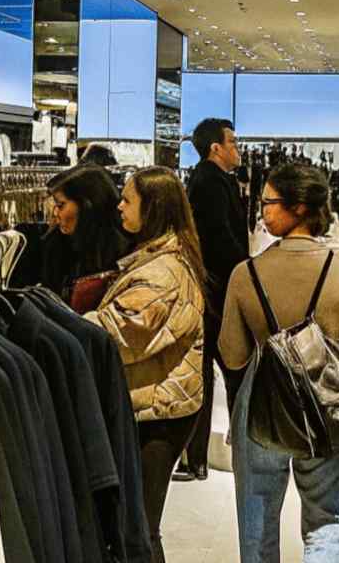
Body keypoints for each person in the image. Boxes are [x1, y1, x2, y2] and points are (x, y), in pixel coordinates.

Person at [217, 163, 339, 563]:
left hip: (261, 403)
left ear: (299, 207)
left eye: (270, 202)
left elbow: (232, 355)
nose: (262, 210)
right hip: (327, 398)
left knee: (257, 522)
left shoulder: (245, 273)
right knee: (327, 520)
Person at [83, 167, 208, 563]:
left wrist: (49, 323)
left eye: (127, 199)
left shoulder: (161, 274)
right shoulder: (165, 256)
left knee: (139, 529)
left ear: (151, 207)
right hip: (160, 405)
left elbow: (117, 334)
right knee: (139, 526)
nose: (119, 206)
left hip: (158, 413)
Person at [180, 117, 249, 481]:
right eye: (233, 142)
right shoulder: (209, 183)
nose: (238, 148)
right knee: (230, 368)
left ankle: (199, 458)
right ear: (216, 148)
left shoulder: (215, 180)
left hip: (217, 290)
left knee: (217, 371)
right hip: (216, 293)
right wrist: (245, 273)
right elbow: (219, 239)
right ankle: (217, 453)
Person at [47, 165, 131, 312]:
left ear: (87, 206)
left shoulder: (126, 256)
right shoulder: (56, 244)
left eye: (61, 205)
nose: (55, 213)